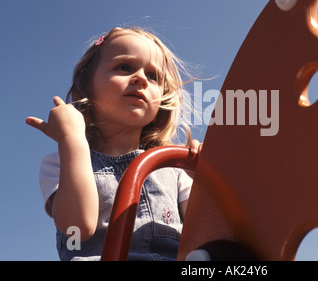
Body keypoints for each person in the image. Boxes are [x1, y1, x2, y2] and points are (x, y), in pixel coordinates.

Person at [26, 26, 201, 261]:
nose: (141, 78)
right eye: (124, 67)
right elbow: (78, 228)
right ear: (88, 86)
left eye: (153, 76)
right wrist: (72, 140)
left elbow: (204, 236)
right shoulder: (59, 161)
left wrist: (203, 180)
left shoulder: (173, 167)